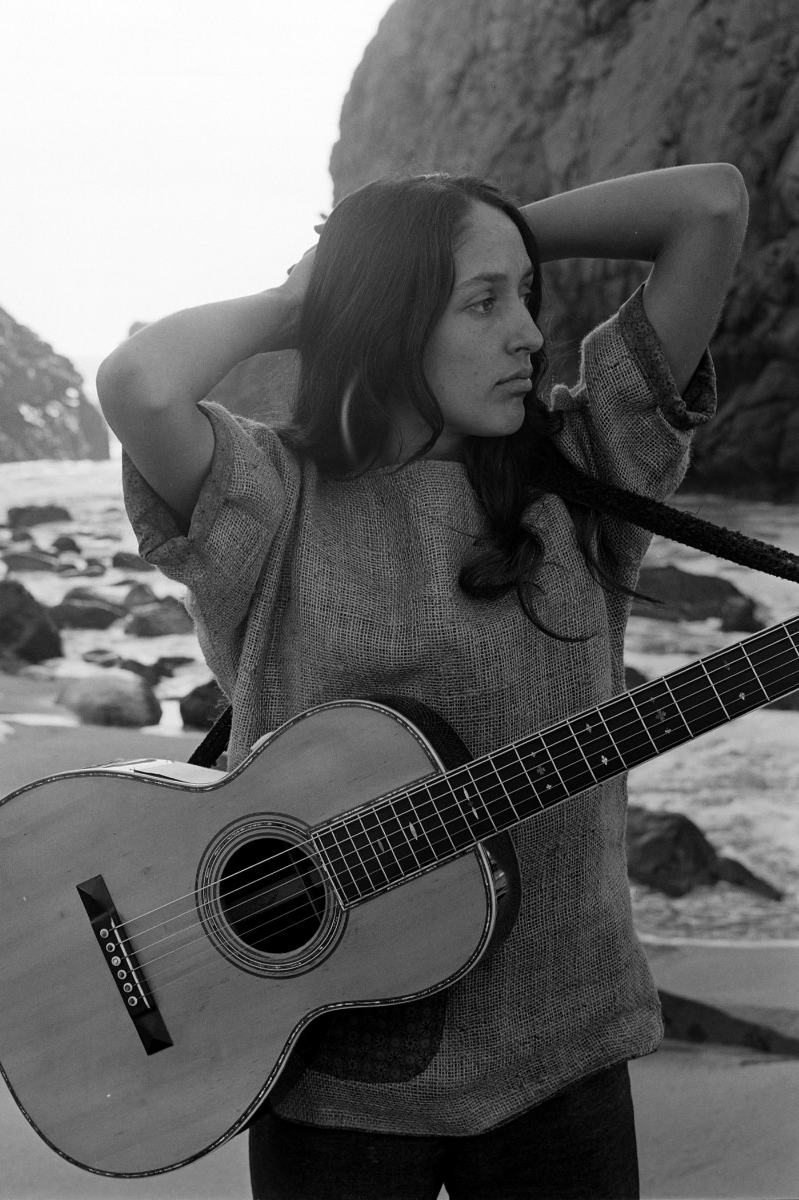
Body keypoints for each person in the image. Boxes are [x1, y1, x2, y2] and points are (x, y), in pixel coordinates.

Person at [95, 164, 748, 1199]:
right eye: (484, 302)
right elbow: (139, 385)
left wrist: (488, 238)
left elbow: (710, 204)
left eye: (524, 296)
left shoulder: (586, 477)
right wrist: (320, 293)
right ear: (388, 319)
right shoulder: (270, 501)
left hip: (560, 1053)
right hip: (338, 1082)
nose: (528, 333)